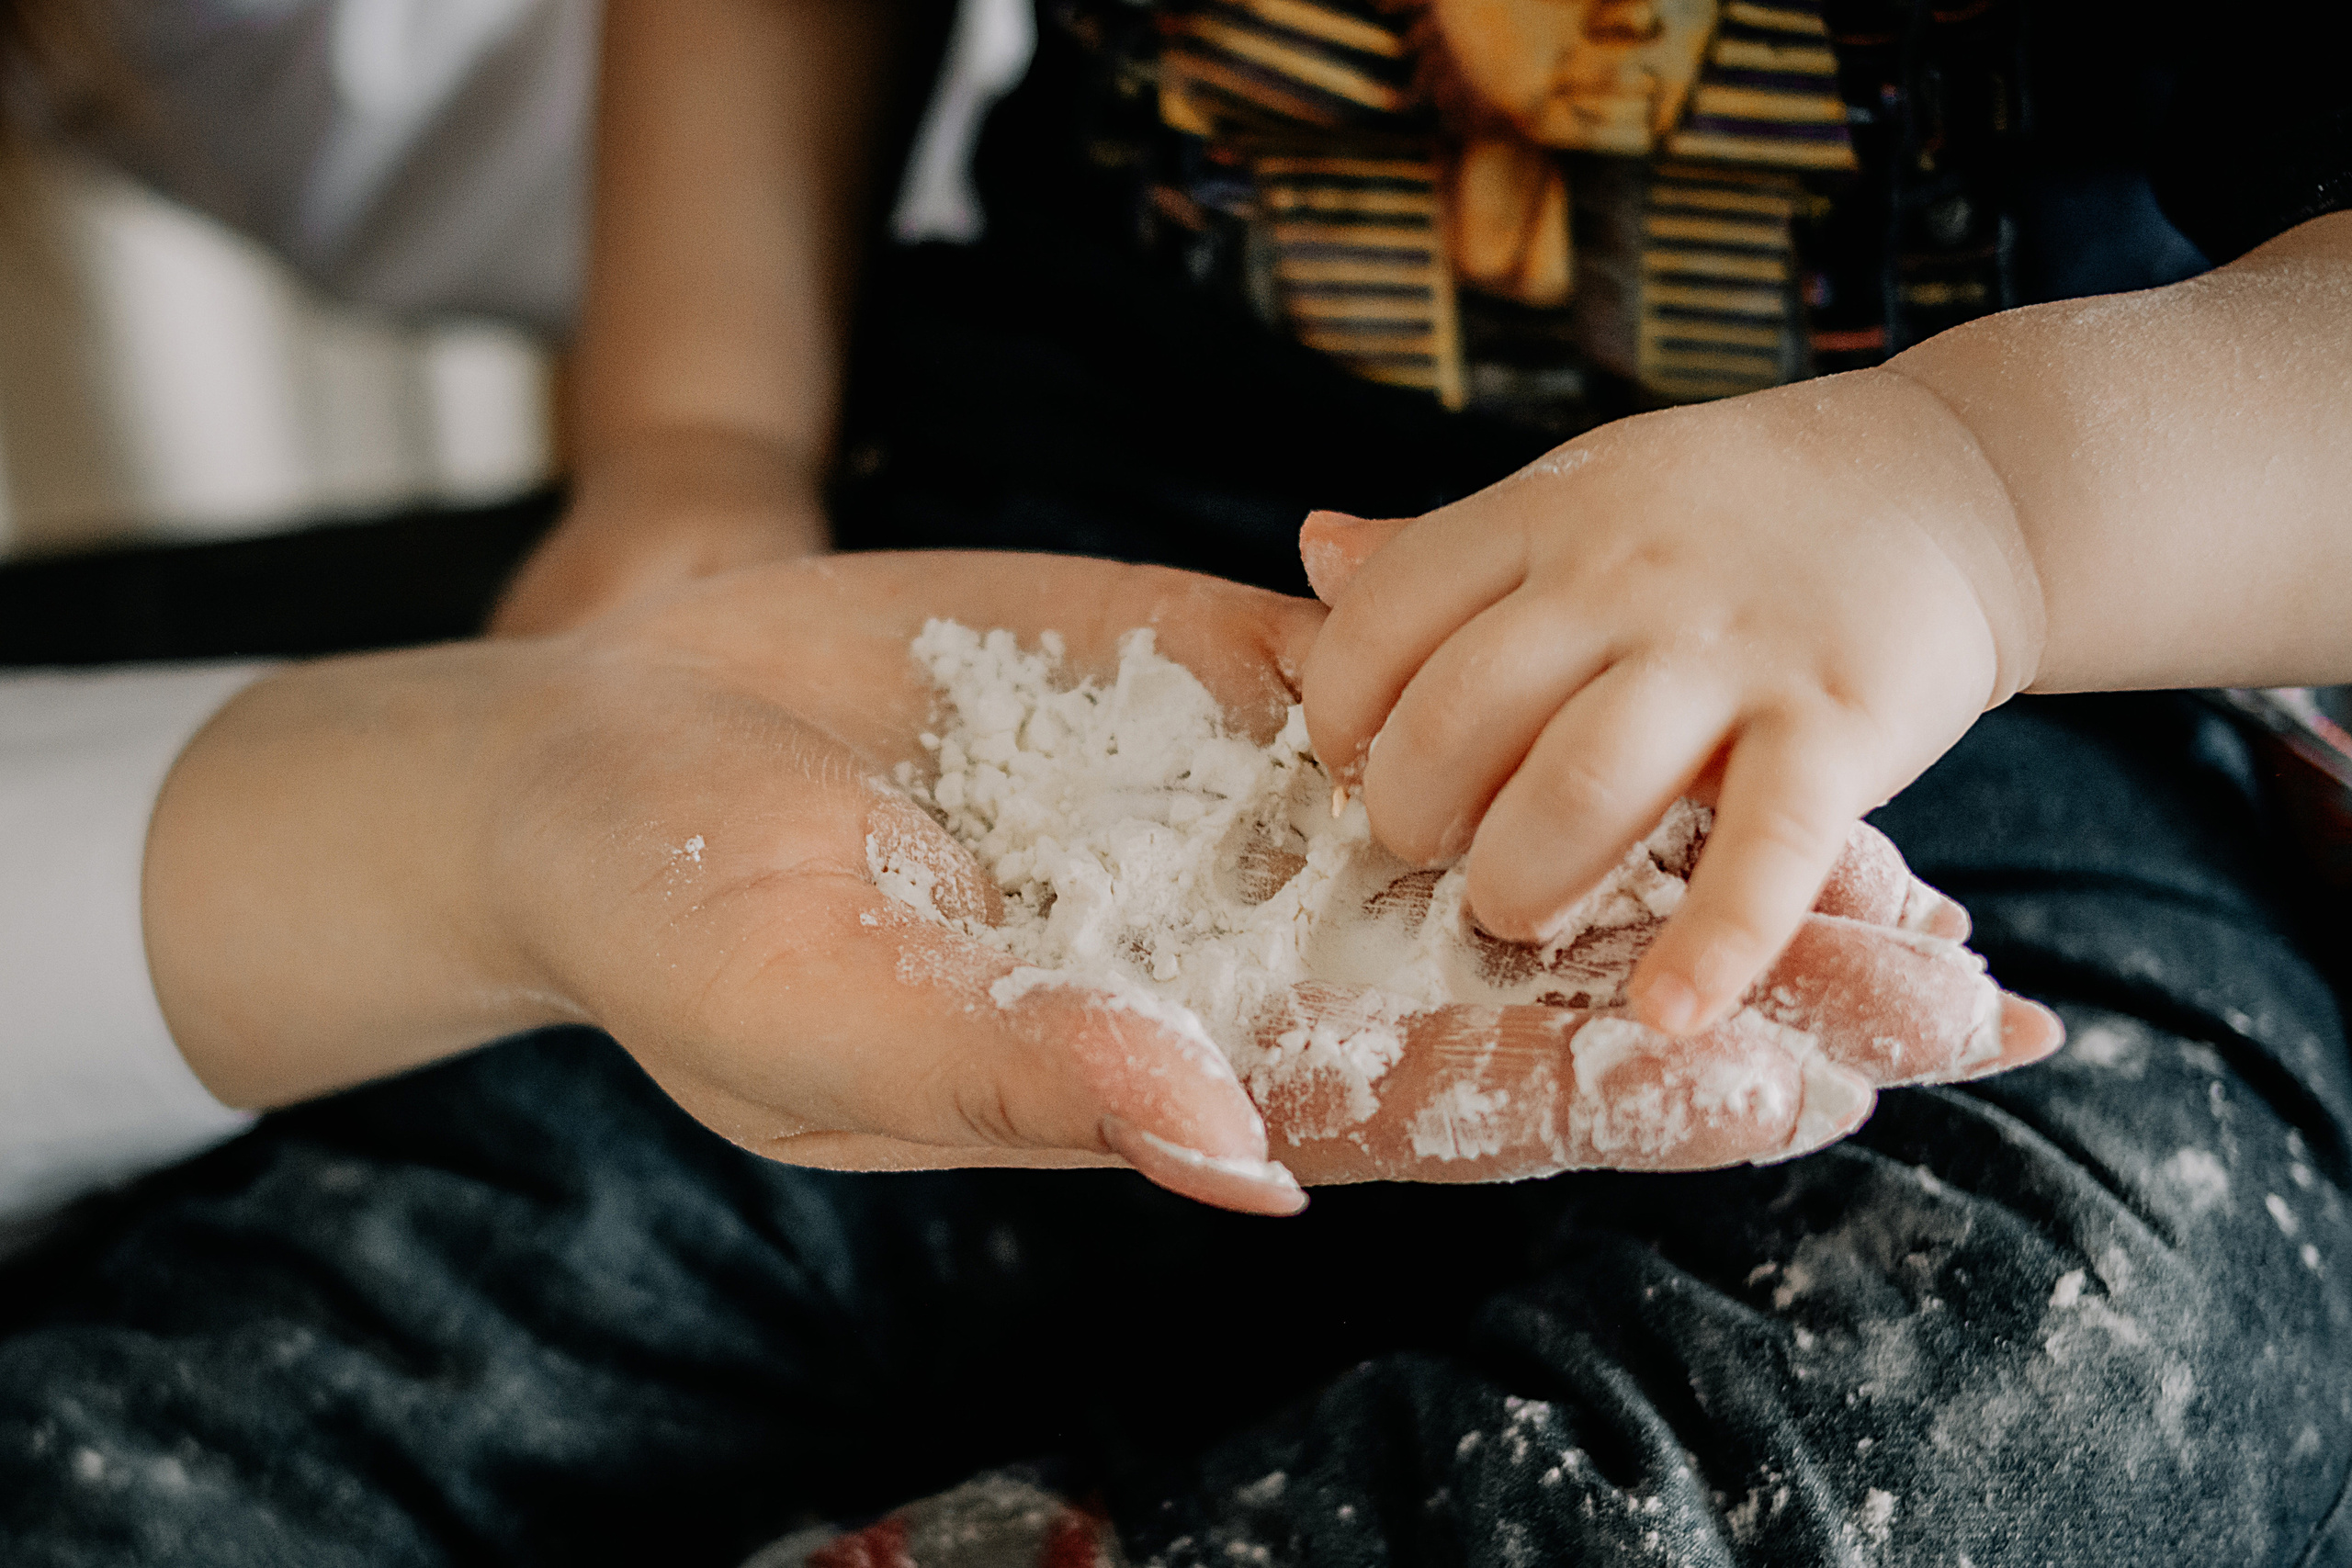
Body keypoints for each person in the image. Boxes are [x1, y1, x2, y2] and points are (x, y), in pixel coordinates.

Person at [0, 2, 2346, 1564]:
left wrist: (1979, 498)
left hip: (1939, 737)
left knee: (2085, 1338)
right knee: (428, 1212)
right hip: (1053, 618)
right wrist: (691, 435)